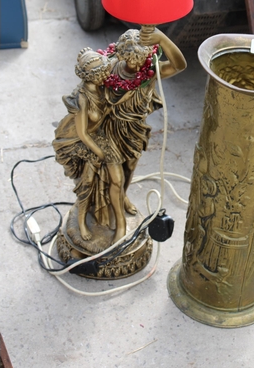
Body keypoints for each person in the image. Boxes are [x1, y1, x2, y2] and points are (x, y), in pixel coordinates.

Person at [103, 26, 187, 215]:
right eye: (130, 62)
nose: (134, 67)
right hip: (110, 127)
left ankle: (122, 195)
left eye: (139, 62)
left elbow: (179, 65)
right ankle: (106, 203)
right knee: (109, 171)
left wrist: (162, 39)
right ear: (122, 54)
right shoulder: (110, 68)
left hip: (135, 128)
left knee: (130, 165)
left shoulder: (149, 72)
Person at [52, 48, 127, 245]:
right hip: (80, 142)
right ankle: (82, 221)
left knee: (117, 179)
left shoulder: (100, 87)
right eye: (104, 71)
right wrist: (98, 152)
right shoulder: (82, 98)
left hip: (100, 136)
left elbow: (116, 58)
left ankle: (119, 220)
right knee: (87, 182)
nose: (108, 73)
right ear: (95, 76)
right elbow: (83, 133)